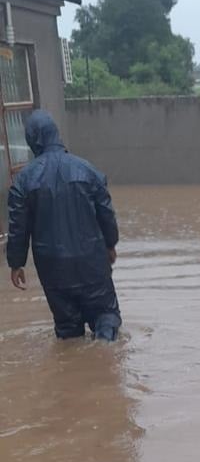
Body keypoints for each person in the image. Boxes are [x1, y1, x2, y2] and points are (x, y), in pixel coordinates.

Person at [7, 109, 122, 342]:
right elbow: (106, 215)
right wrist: (110, 245)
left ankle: (71, 372)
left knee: (68, 330)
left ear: (32, 140)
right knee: (105, 318)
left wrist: (16, 263)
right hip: (92, 263)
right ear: (56, 135)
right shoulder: (88, 172)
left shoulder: (24, 181)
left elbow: (18, 228)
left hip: (53, 269)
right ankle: (106, 365)